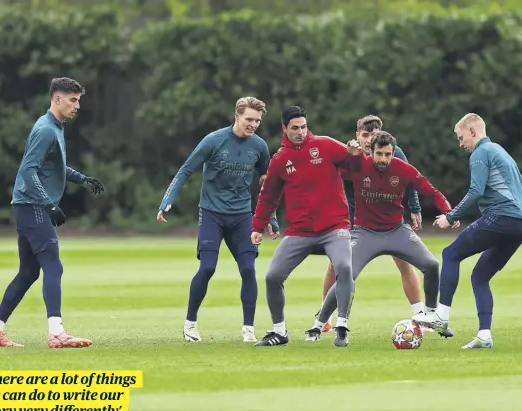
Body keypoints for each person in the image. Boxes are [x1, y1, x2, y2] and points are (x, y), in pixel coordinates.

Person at [0, 77, 104, 349]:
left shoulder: (55, 128)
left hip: (28, 206)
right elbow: (28, 170)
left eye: (78, 100)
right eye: (72, 100)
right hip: (32, 206)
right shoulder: (46, 130)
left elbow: (55, 167)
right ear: (57, 99)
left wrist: (82, 179)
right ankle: (57, 333)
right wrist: (48, 204)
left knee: (28, 273)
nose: (77, 106)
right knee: (53, 265)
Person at [307, 132, 457, 344]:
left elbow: (431, 191)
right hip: (365, 233)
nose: (383, 159)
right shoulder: (358, 166)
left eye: (387, 154)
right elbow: (328, 171)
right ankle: (319, 324)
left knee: (431, 264)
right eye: (379, 154)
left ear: (393, 153)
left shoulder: (402, 169)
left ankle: (431, 317)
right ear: (371, 152)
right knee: (345, 275)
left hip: (397, 231)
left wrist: (448, 211)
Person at [157, 96, 279, 343]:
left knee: (248, 269)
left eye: (257, 120)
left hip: (243, 216)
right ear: (237, 116)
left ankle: (248, 329)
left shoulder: (259, 146)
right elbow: (186, 169)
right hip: (212, 214)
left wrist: (270, 217)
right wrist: (168, 199)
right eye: (249, 119)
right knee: (208, 267)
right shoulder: (214, 140)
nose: (253, 124)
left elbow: (267, 184)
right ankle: (190, 324)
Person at [413, 113, 522, 349]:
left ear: (473, 131)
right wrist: (519, 211)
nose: (460, 144)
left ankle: (440, 316)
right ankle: (485, 336)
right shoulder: (501, 152)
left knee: (450, 254)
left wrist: (451, 216)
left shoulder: (480, 152)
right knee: (480, 276)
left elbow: (476, 191)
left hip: (501, 217)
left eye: (461, 138)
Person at [251, 106, 354, 347]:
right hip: (300, 231)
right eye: (295, 128)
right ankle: (279, 332)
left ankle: (341, 326)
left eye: (303, 127)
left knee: (345, 267)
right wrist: (258, 226)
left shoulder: (326, 145)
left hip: (334, 227)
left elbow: (356, 169)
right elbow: (268, 197)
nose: (300, 132)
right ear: (284, 129)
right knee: (272, 276)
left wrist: (354, 155)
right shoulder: (280, 160)